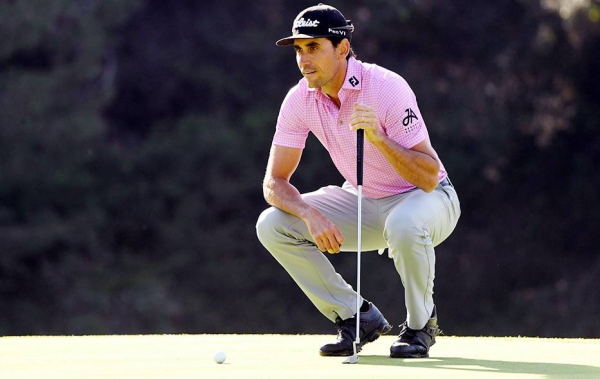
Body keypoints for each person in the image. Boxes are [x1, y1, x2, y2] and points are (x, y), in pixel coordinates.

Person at [255, 3, 461, 358]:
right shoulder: (299, 99)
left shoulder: (386, 88)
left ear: (343, 48)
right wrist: (308, 214)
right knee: (272, 223)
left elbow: (429, 175)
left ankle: (420, 325)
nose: (304, 59)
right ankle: (355, 317)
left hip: (429, 199)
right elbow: (274, 182)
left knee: (404, 222)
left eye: (314, 47)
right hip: (365, 202)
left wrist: (380, 138)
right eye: (299, 50)